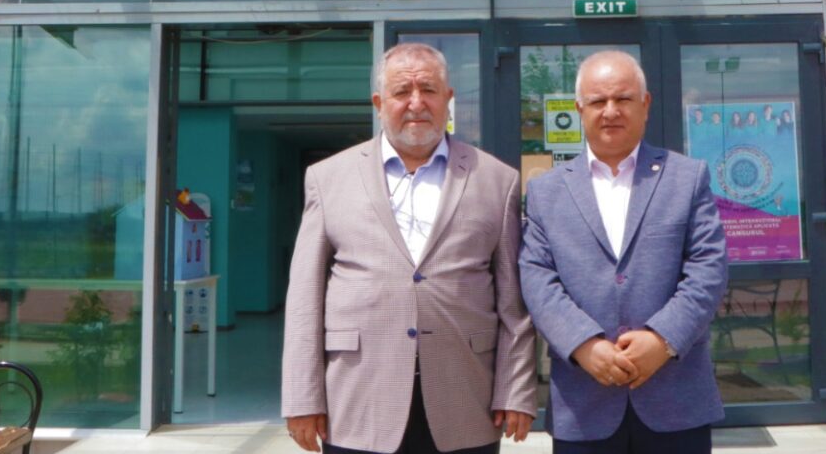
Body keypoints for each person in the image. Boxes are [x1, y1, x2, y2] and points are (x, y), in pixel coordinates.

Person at [282, 43, 537, 453]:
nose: (416, 103)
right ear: (379, 103)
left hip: (465, 397)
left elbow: (514, 303)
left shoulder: (496, 180)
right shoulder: (327, 179)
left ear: (448, 99)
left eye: (429, 90)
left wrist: (516, 389)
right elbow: (304, 300)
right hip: (358, 399)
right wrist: (302, 398)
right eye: (402, 91)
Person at [519, 51, 729, 453]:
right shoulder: (546, 191)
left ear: (645, 105)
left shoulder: (687, 178)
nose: (611, 111)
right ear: (579, 109)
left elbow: (709, 269)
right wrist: (583, 345)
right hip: (583, 405)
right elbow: (537, 279)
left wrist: (662, 340)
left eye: (623, 99)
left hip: (675, 401)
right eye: (598, 101)